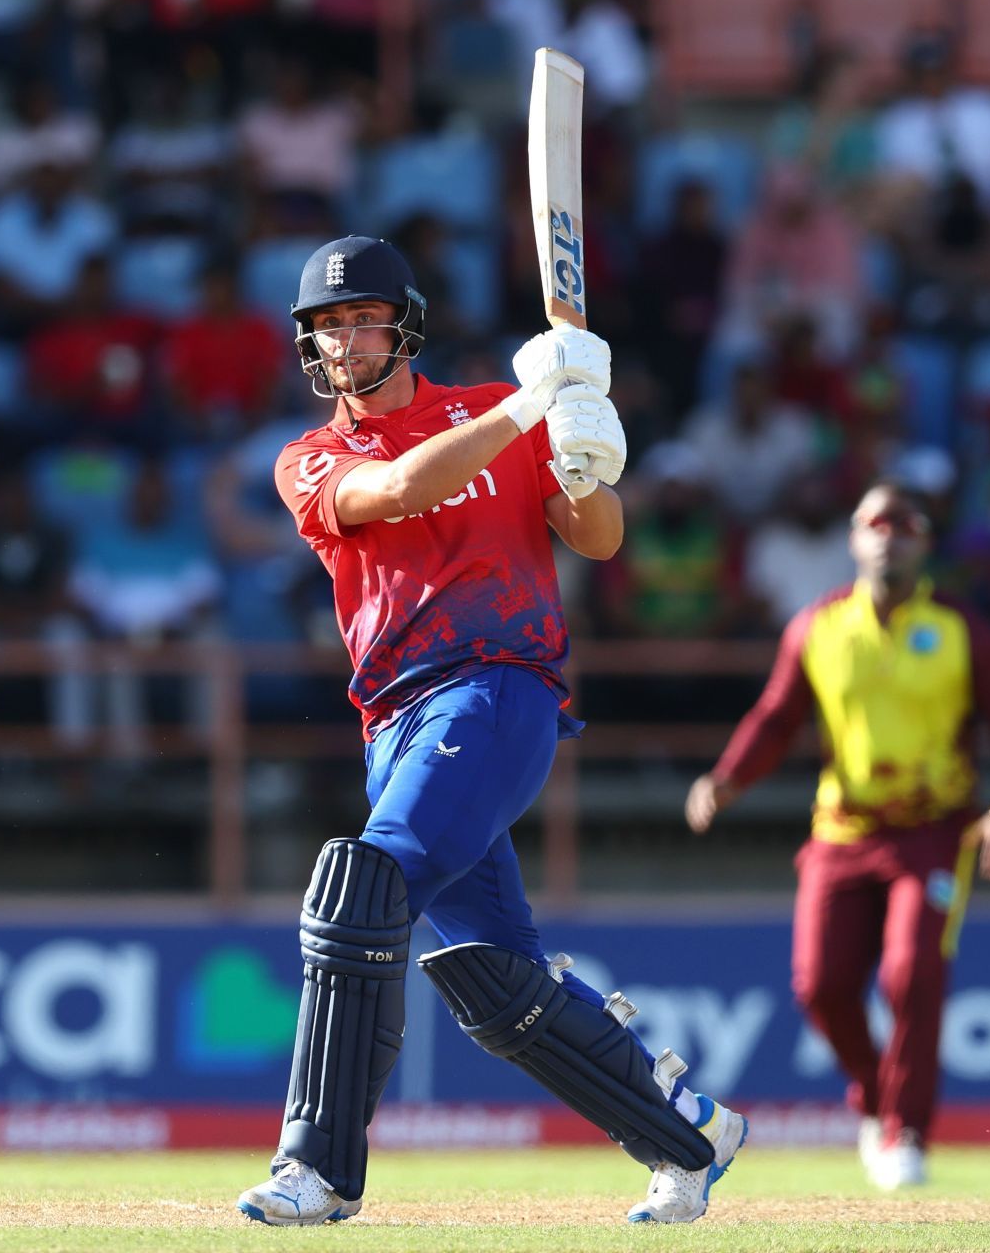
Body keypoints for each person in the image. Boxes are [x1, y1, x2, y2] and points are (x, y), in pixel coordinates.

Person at [236, 237, 748, 1227]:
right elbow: (396, 492)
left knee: (363, 887)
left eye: (362, 318)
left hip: (497, 691)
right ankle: (688, 1130)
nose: (343, 341)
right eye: (326, 326)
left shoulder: (494, 412)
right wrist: (529, 406)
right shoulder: (310, 457)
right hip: (396, 719)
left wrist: (583, 461)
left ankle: (319, 1168)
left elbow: (597, 537)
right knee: (492, 979)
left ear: (406, 324)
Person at [684, 480, 990, 1191]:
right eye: (875, 523)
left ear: (924, 542)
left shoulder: (962, 628)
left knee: (913, 976)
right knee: (821, 986)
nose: (889, 536)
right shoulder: (818, 625)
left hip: (935, 831)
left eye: (905, 525)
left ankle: (905, 1131)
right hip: (842, 828)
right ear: (854, 539)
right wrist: (726, 778)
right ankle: (878, 1102)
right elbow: (777, 717)